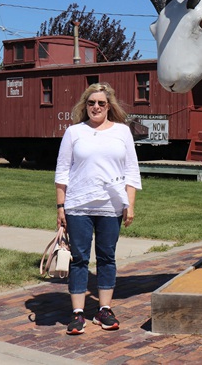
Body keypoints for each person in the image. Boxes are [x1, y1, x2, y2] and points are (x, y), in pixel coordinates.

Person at [55, 82, 142, 335]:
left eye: (101, 103)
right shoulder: (74, 132)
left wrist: (130, 204)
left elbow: (131, 170)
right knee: (79, 258)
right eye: (91, 103)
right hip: (78, 205)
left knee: (107, 258)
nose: (96, 107)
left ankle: (104, 310)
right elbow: (62, 170)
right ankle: (78, 313)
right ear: (85, 105)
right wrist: (61, 206)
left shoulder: (122, 132)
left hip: (111, 206)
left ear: (109, 106)